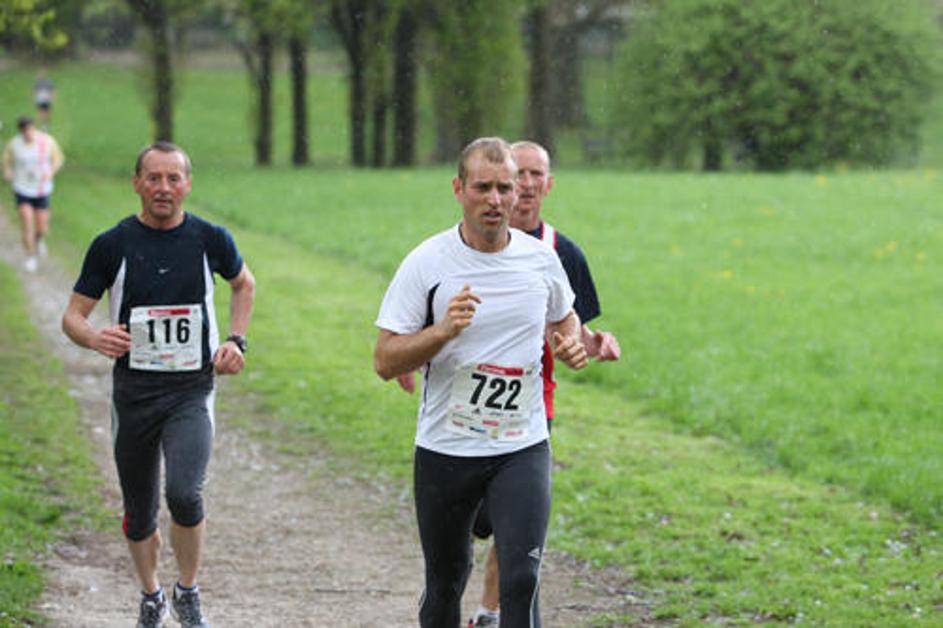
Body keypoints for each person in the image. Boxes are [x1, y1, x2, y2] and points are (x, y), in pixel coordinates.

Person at [374, 137, 588, 627]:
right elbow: (384, 359)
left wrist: (569, 341)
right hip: (446, 449)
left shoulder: (540, 259)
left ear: (518, 193)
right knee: (446, 584)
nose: (495, 199)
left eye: (505, 188)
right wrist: (442, 332)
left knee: (521, 579)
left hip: (521, 444)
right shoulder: (427, 262)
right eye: (482, 187)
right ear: (459, 189)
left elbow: (564, 316)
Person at [62, 142, 255, 628]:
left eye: (173, 178)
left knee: (185, 494)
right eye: (154, 178)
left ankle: (187, 591)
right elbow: (73, 316)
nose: (163, 188)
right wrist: (94, 337)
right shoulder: (113, 244)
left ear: (187, 184)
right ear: (137, 184)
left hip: (191, 390)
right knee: (139, 512)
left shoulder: (210, 239)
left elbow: (244, 284)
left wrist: (236, 341)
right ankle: (151, 595)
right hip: (134, 395)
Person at [465, 140, 621, 627]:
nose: (528, 184)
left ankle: (490, 613)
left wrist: (593, 344)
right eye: (522, 174)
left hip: (532, 405)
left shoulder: (562, 253)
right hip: (466, 403)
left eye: (538, 175)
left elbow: (571, 325)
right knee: (476, 520)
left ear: (548, 185)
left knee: (515, 524)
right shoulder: (468, 243)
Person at [2, 115, 64, 272]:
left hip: (41, 189)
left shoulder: (46, 141)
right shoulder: (14, 144)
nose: (28, 134)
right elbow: (6, 159)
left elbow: (58, 159)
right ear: (21, 131)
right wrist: (7, 172)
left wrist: (51, 172)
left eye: (30, 130)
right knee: (26, 219)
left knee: (41, 226)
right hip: (22, 188)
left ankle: (39, 239)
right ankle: (30, 256)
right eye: (25, 131)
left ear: (33, 128)